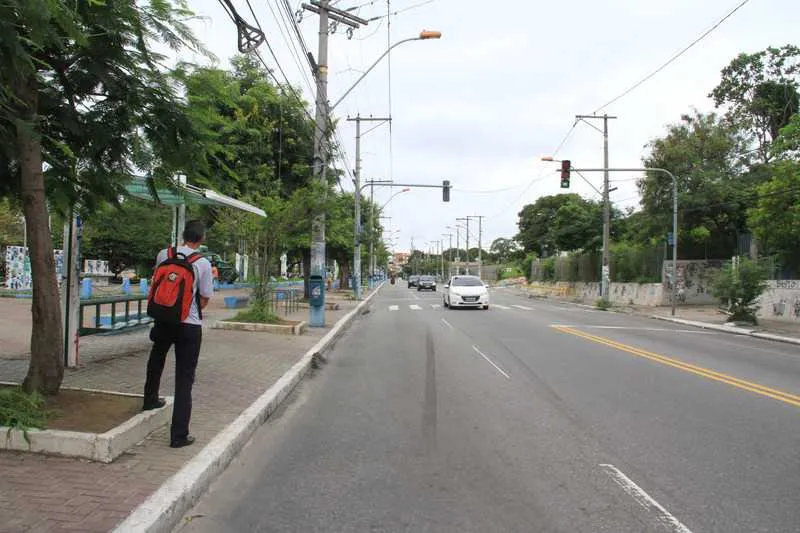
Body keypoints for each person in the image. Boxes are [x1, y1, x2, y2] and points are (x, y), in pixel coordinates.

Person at [143, 220, 213, 448]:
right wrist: (188, 309)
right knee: (185, 377)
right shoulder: (202, 263)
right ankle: (178, 435)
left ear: (183, 235)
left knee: (157, 357)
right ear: (201, 239)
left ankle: (150, 400)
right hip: (189, 325)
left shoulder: (164, 254)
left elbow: (157, 283)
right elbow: (204, 297)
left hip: (163, 318)